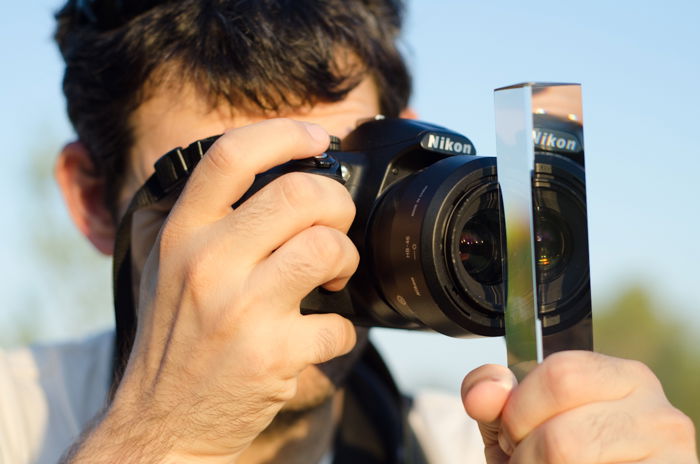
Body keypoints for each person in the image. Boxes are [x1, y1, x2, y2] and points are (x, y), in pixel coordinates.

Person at [1, 0, 697, 463]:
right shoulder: (18, 417)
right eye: (247, 190)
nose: (308, 244)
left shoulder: (489, 443)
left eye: (340, 173)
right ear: (95, 202)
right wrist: (160, 436)